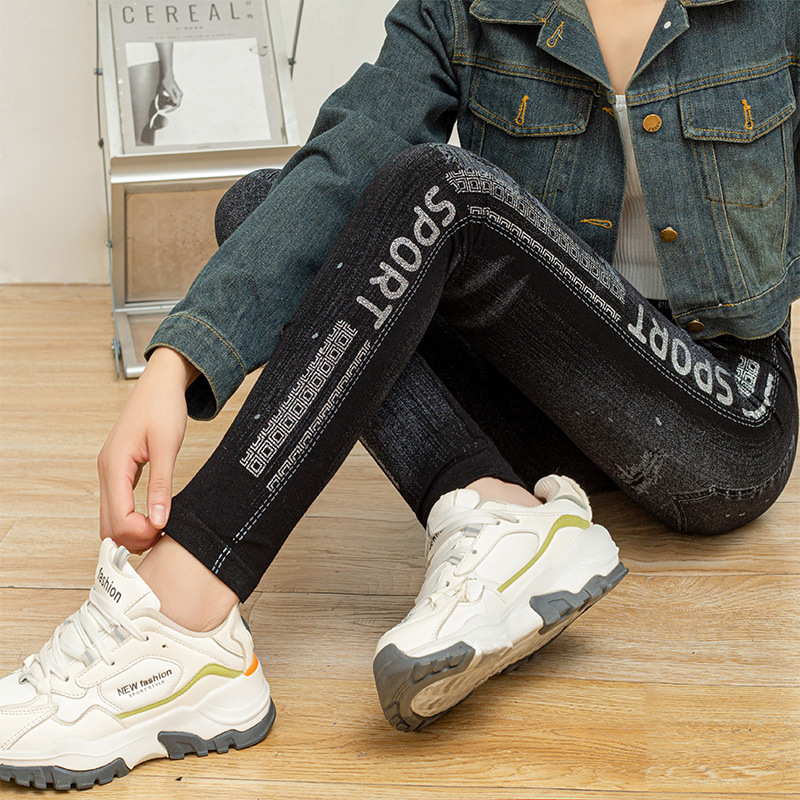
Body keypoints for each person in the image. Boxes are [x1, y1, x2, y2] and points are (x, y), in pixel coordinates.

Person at [2, 0, 797, 790]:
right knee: (263, 201)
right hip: (535, 404)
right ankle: (494, 510)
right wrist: (175, 363)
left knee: (441, 187)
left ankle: (186, 598)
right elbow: (350, 154)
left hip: (716, 409)